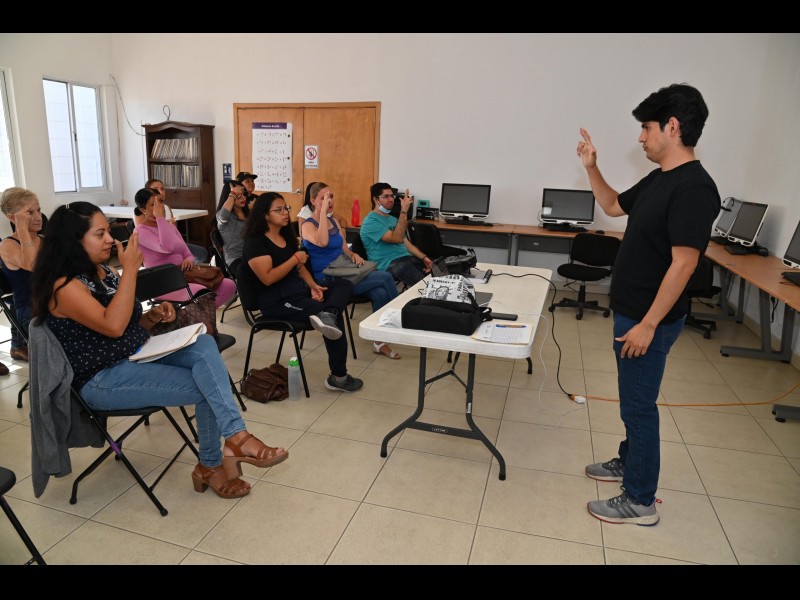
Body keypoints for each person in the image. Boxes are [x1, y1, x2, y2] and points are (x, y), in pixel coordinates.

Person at [30, 201, 288, 499]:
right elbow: (112, 326)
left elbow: (125, 323)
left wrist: (150, 317)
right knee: (208, 384)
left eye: (107, 232)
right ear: (73, 242)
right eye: (99, 234)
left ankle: (233, 440)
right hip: (101, 378)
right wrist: (130, 268)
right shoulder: (64, 287)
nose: (110, 239)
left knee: (205, 344)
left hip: (135, 354)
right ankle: (215, 460)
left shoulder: (103, 272)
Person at [579, 83, 720, 526]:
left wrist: (648, 324)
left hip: (648, 319)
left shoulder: (694, 188)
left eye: (646, 128)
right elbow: (611, 204)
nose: (641, 137)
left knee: (638, 407)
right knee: (632, 401)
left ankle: (640, 500)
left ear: (672, 127)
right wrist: (592, 167)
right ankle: (629, 461)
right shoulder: (661, 179)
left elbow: (684, 264)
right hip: (633, 312)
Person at [242, 192, 364, 393]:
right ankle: (339, 377)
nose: (285, 213)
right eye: (279, 210)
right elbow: (268, 278)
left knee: (342, 285)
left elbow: (300, 269)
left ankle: (329, 313)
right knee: (332, 320)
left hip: (299, 293)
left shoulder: (286, 236)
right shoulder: (255, 242)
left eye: (286, 208)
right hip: (277, 302)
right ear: (264, 214)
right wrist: (295, 259)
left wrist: (313, 286)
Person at [301, 182, 401, 359]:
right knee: (385, 277)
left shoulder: (333, 222)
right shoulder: (308, 225)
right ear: (313, 201)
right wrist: (322, 213)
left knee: (379, 294)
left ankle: (379, 343)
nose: (329, 201)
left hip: (344, 272)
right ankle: (399, 319)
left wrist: (353, 254)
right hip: (327, 279)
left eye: (331, 197)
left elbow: (344, 249)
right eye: (324, 198)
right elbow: (323, 242)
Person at [134, 188, 237, 308]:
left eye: (160, 202)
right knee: (202, 293)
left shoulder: (169, 227)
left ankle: (198, 315)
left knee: (229, 285)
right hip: (163, 283)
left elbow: (187, 254)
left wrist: (188, 260)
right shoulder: (140, 231)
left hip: (185, 276)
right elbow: (167, 247)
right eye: (153, 205)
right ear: (143, 210)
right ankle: (197, 315)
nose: (160, 207)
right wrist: (160, 219)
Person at [0, 187, 44, 367]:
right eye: (30, 213)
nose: (38, 217)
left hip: (53, 301)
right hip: (31, 308)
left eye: (39, 210)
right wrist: (22, 229)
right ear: (13, 218)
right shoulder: (8, 245)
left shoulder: (43, 239)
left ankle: (17, 346)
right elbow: (33, 265)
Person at [360, 182, 432, 287]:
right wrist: (404, 211)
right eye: (385, 196)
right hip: (387, 264)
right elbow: (397, 239)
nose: (391, 199)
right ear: (376, 199)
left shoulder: (393, 219)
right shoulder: (371, 222)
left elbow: (406, 243)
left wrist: (424, 257)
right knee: (426, 287)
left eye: (392, 196)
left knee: (432, 269)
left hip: (406, 259)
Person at [141, 178, 208, 264]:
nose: (160, 192)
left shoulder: (167, 208)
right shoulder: (142, 212)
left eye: (162, 189)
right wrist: (162, 222)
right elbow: (146, 235)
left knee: (201, 252)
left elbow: (175, 233)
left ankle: (187, 266)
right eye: (155, 189)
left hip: (172, 243)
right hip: (159, 247)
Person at [215, 179, 249, 275]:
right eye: (238, 195)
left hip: (251, 254)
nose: (243, 197)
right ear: (229, 196)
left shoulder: (247, 213)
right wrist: (233, 193)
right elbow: (223, 216)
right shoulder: (223, 216)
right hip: (235, 258)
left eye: (243, 194)